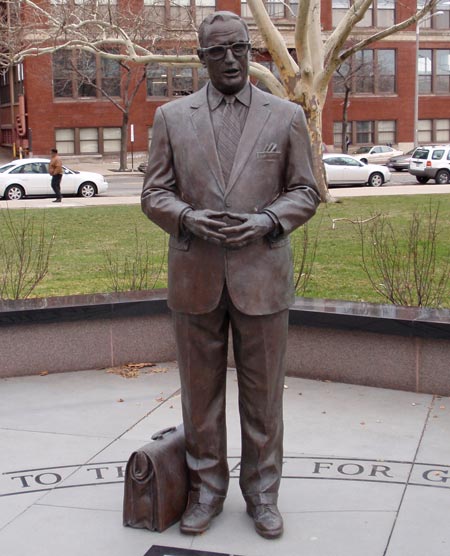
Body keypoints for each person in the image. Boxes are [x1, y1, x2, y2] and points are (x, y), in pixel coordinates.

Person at [141, 11, 320, 540]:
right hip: (195, 275)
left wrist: (268, 220)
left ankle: (263, 495)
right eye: (217, 51)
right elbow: (154, 193)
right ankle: (206, 493)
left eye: (238, 49)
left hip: (261, 275)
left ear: (252, 51)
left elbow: (306, 190)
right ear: (201, 59)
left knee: (263, 398)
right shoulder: (172, 117)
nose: (229, 60)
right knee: (200, 397)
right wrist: (188, 218)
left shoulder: (284, 116)